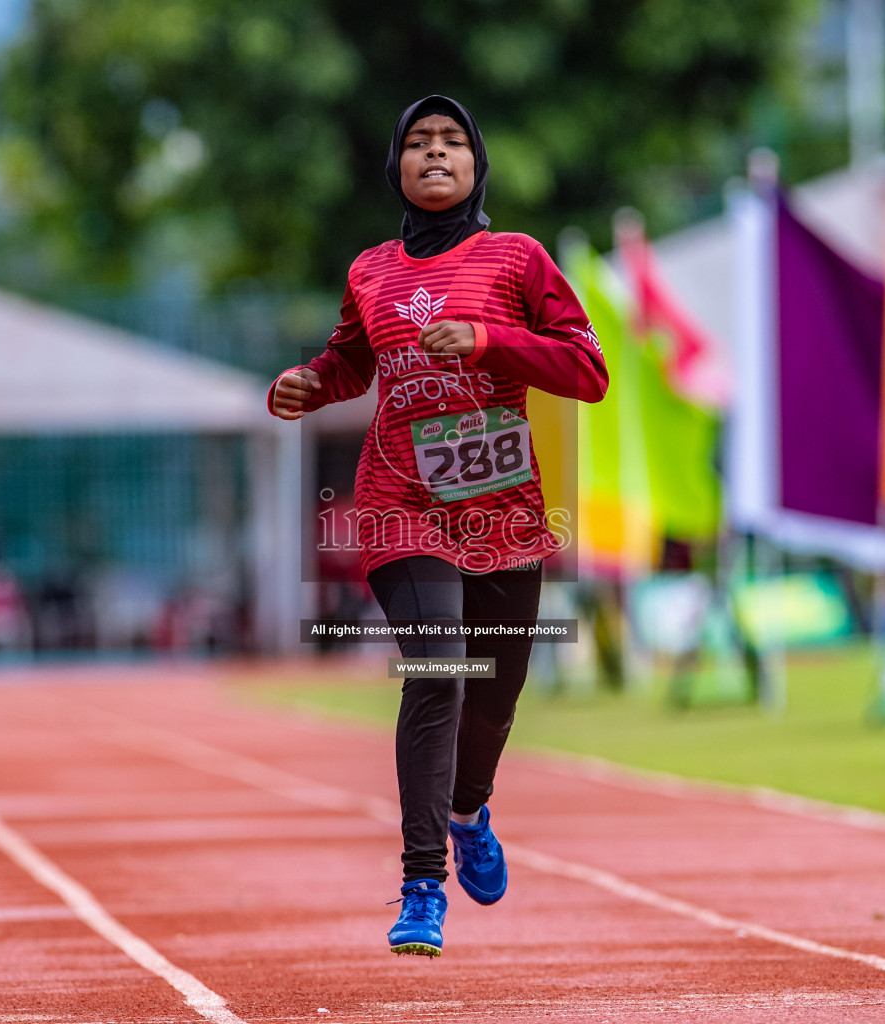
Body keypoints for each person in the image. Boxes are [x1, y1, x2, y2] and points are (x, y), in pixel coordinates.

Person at [268, 95, 608, 956]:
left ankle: (468, 812)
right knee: (440, 669)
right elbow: (351, 359)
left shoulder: (517, 258)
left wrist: (491, 341)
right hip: (400, 503)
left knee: (493, 701)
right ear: (396, 167)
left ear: (475, 164)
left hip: (500, 507)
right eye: (417, 142)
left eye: (452, 142)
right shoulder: (370, 271)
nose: (433, 154)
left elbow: (586, 369)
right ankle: (422, 885)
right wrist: (310, 381)